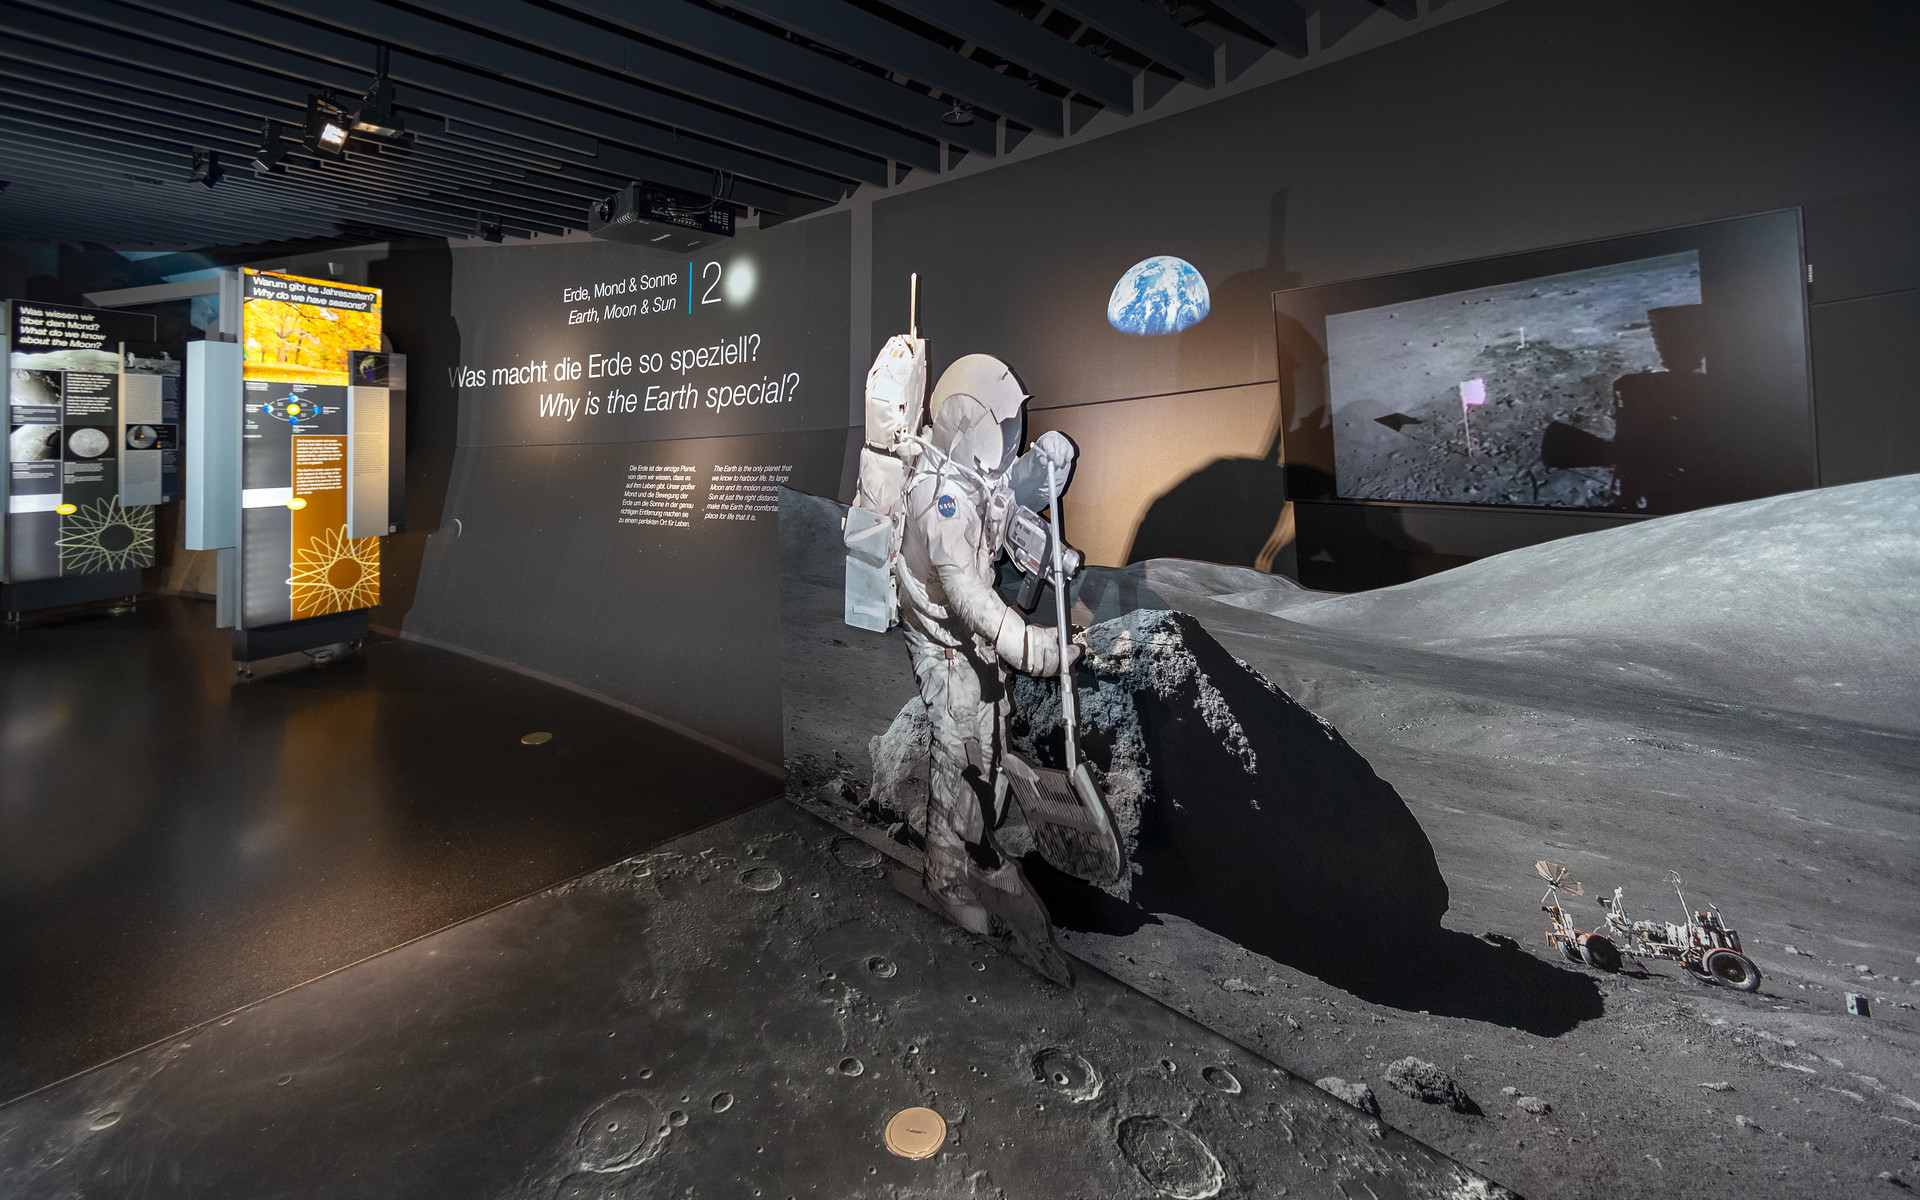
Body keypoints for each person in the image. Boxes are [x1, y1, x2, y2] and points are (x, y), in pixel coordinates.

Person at [893, 353, 1079, 986]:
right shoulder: (940, 503)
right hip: (944, 643)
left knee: (990, 736)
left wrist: (1050, 460)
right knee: (958, 749)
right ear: (971, 427)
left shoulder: (971, 477)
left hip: (965, 637)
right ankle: (944, 875)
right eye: (1005, 429)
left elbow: (1012, 493)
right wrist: (1037, 649)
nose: (1012, 439)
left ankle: (978, 844)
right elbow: (971, 597)